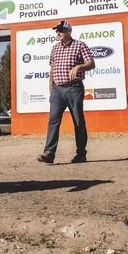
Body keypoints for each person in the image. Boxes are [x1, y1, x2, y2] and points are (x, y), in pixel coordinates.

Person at [38, 20, 95, 164]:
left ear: (69, 31)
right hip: (57, 90)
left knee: (78, 121)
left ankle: (81, 154)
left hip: (74, 88)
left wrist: (79, 67)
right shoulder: (55, 48)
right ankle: (49, 153)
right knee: (53, 121)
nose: (58, 33)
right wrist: (51, 88)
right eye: (57, 31)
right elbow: (52, 69)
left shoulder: (79, 45)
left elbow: (91, 63)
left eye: (61, 30)